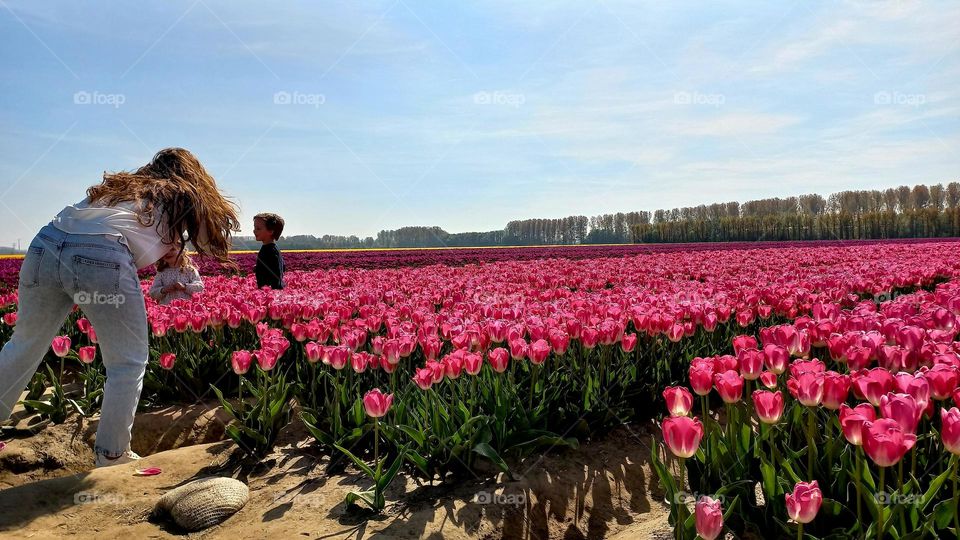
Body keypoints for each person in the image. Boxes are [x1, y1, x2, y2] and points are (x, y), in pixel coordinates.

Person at [0, 148, 239, 467]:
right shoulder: (182, 193)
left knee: (24, 343)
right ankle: (112, 455)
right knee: (128, 361)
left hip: (45, 244)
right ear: (192, 173)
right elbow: (210, 243)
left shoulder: (119, 188)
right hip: (101, 253)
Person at [148, 239, 204, 305]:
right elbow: (152, 293)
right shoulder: (162, 273)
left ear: (181, 251)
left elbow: (200, 288)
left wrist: (185, 287)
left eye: (172, 249)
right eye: (164, 251)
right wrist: (163, 290)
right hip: (166, 310)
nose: (168, 253)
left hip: (187, 309)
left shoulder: (190, 270)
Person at [253, 212, 285, 290]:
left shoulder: (270, 251)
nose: (254, 231)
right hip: (268, 292)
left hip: (271, 293)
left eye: (258, 228)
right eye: (254, 228)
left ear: (271, 231)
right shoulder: (270, 248)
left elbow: (276, 274)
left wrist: (273, 292)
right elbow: (283, 267)